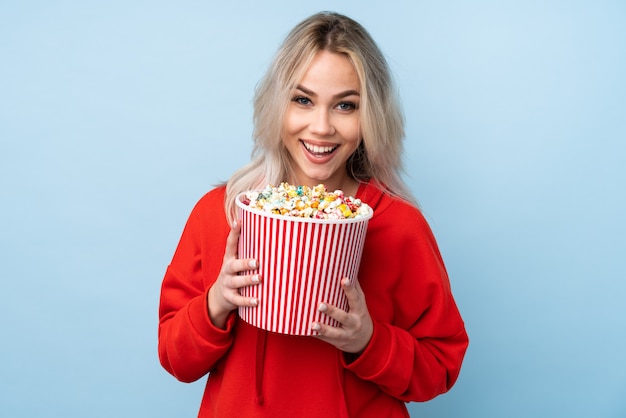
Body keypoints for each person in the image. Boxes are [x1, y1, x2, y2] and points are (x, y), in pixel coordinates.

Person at [158, 11, 468, 417]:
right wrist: (217, 301)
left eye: (345, 105)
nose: (321, 127)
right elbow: (174, 358)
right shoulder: (220, 213)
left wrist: (369, 342)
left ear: (370, 116)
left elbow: (441, 366)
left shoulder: (399, 226)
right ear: (276, 105)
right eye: (302, 100)